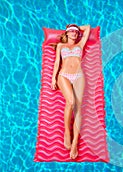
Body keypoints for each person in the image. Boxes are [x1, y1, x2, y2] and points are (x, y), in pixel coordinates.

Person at [51, 24, 91, 159]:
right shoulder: (61, 46)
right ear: (67, 34)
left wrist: (76, 27)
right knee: (71, 102)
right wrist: (53, 78)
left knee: (78, 109)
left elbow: (88, 27)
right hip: (64, 75)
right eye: (71, 32)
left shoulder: (80, 44)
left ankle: (74, 144)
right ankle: (67, 132)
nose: (74, 33)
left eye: (76, 32)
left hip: (79, 75)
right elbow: (57, 62)